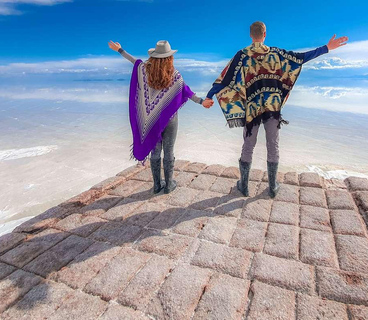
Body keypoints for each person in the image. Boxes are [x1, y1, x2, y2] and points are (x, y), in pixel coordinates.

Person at [203, 22, 348, 198]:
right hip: (272, 107)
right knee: (273, 145)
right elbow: (301, 58)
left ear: (250, 35)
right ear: (265, 34)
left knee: (248, 145)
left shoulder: (242, 55)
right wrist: (326, 48)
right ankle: (272, 187)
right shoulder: (277, 53)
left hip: (253, 109)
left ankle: (244, 186)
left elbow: (225, 80)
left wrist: (210, 96)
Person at [109, 40, 213, 194]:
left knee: (155, 152)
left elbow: (133, 61)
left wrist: (120, 50)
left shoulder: (144, 69)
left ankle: (157, 185)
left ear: (154, 56)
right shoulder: (174, 74)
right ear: (169, 57)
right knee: (169, 151)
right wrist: (202, 102)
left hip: (152, 121)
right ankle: (169, 185)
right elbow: (186, 92)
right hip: (170, 119)